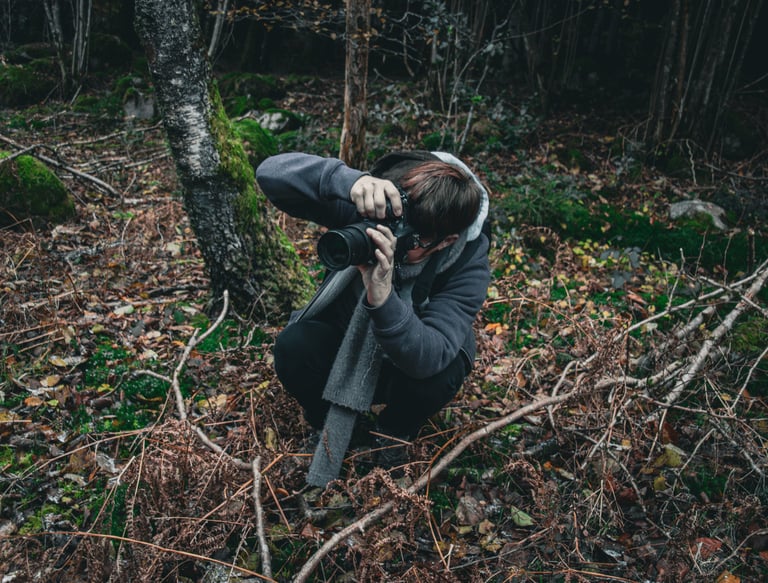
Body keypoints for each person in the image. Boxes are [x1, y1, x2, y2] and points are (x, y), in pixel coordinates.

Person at [256, 150, 490, 486]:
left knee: (445, 369)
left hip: (407, 366)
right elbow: (270, 173)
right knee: (294, 347)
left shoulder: (468, 261)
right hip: (344, 343)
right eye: (397, 223)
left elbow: (429, 355)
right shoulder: (375, 211)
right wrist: (349, 182)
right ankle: (324, 422)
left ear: (445, 241)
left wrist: (382, 298)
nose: (393, 236)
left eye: (412, 237)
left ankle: (394, 431)